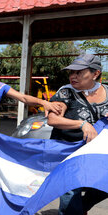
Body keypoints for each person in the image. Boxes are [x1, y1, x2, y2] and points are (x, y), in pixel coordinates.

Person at [47, 53, 108, 215]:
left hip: (96, 155)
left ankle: (82, 206)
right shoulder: (66, 93)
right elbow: (52, 119)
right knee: (70, 193)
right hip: (67, 154)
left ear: (96, 73)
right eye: (71, 72)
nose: (73, 76)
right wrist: (82, 124)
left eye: (79, 72)